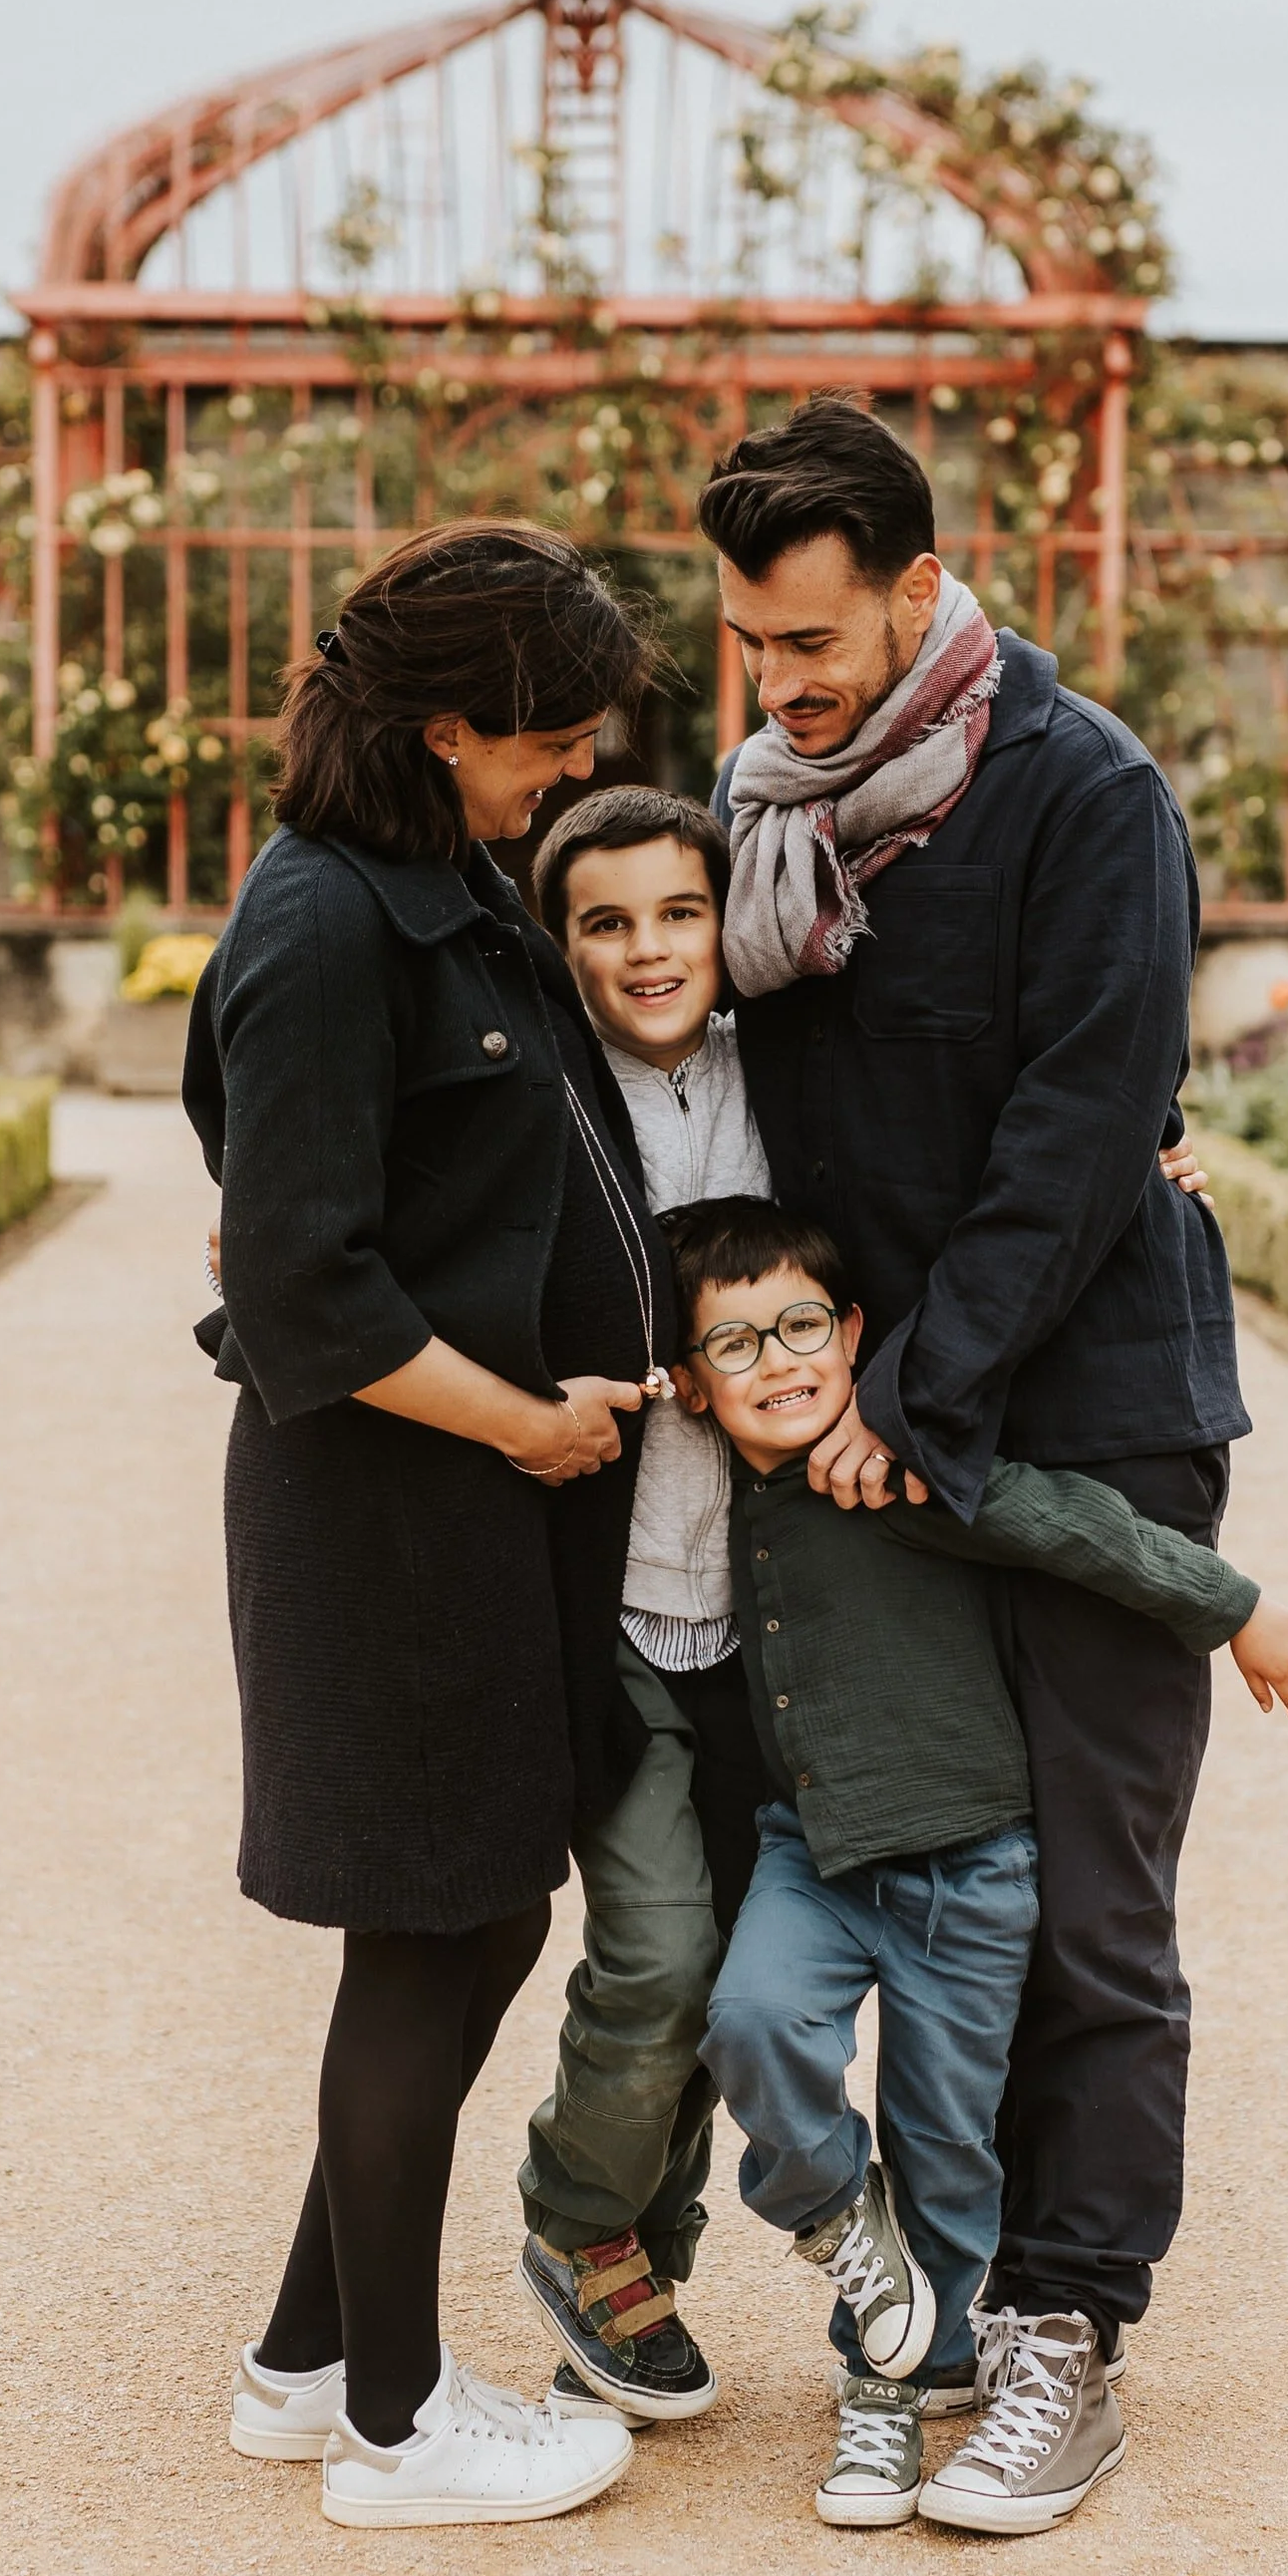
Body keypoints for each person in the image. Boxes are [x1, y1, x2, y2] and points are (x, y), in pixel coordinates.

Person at [705, 392, 1255, 2534]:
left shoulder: (1083, 793)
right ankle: (934, 2294)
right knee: (918, 1867)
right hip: (881, 1431)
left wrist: (900, 1401)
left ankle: (1062, 2334)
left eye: (812, 641)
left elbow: (1077, 1138)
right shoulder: (774, 810)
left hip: (1086, 1412)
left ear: (922, 589)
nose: (777, 685)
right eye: (751, 644)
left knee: (1096, 1903)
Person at [183, 520, 667, 2533]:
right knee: (436, 1917)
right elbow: (300, 1286)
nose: (569, 774)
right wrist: (530, 1425)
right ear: (448, 724)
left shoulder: (436, 885)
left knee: (479, 1904)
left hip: (482, 1508)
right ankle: (394, 2427)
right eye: (547, 742)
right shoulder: (316, 929)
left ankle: (309, 2360)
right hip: (395, 1508)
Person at [670, 1195, 1288, 2531]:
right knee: (747, 2021)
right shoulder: (706, 1487)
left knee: (947, 2142)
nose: (779, 1363)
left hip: (971, 1866)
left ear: (855, 1335)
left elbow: (1076, 1526)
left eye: (802, 1327)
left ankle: (893, 2392)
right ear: (688, 1385)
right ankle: (842, 2231)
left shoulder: (896, 1471)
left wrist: (1237, 1607)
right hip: (817, 1854)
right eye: (734, 1347)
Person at [510, 785, 773, 2418]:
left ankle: (638, 2260)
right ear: (562, 946)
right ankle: (578, 2217)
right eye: (604, 922)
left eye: (678, 912)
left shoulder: (786, 1077)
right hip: (608, 1602)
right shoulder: (536, 1100)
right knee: (659, 1947)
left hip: (773, 1611)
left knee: (738, 1969)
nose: (647, 948)